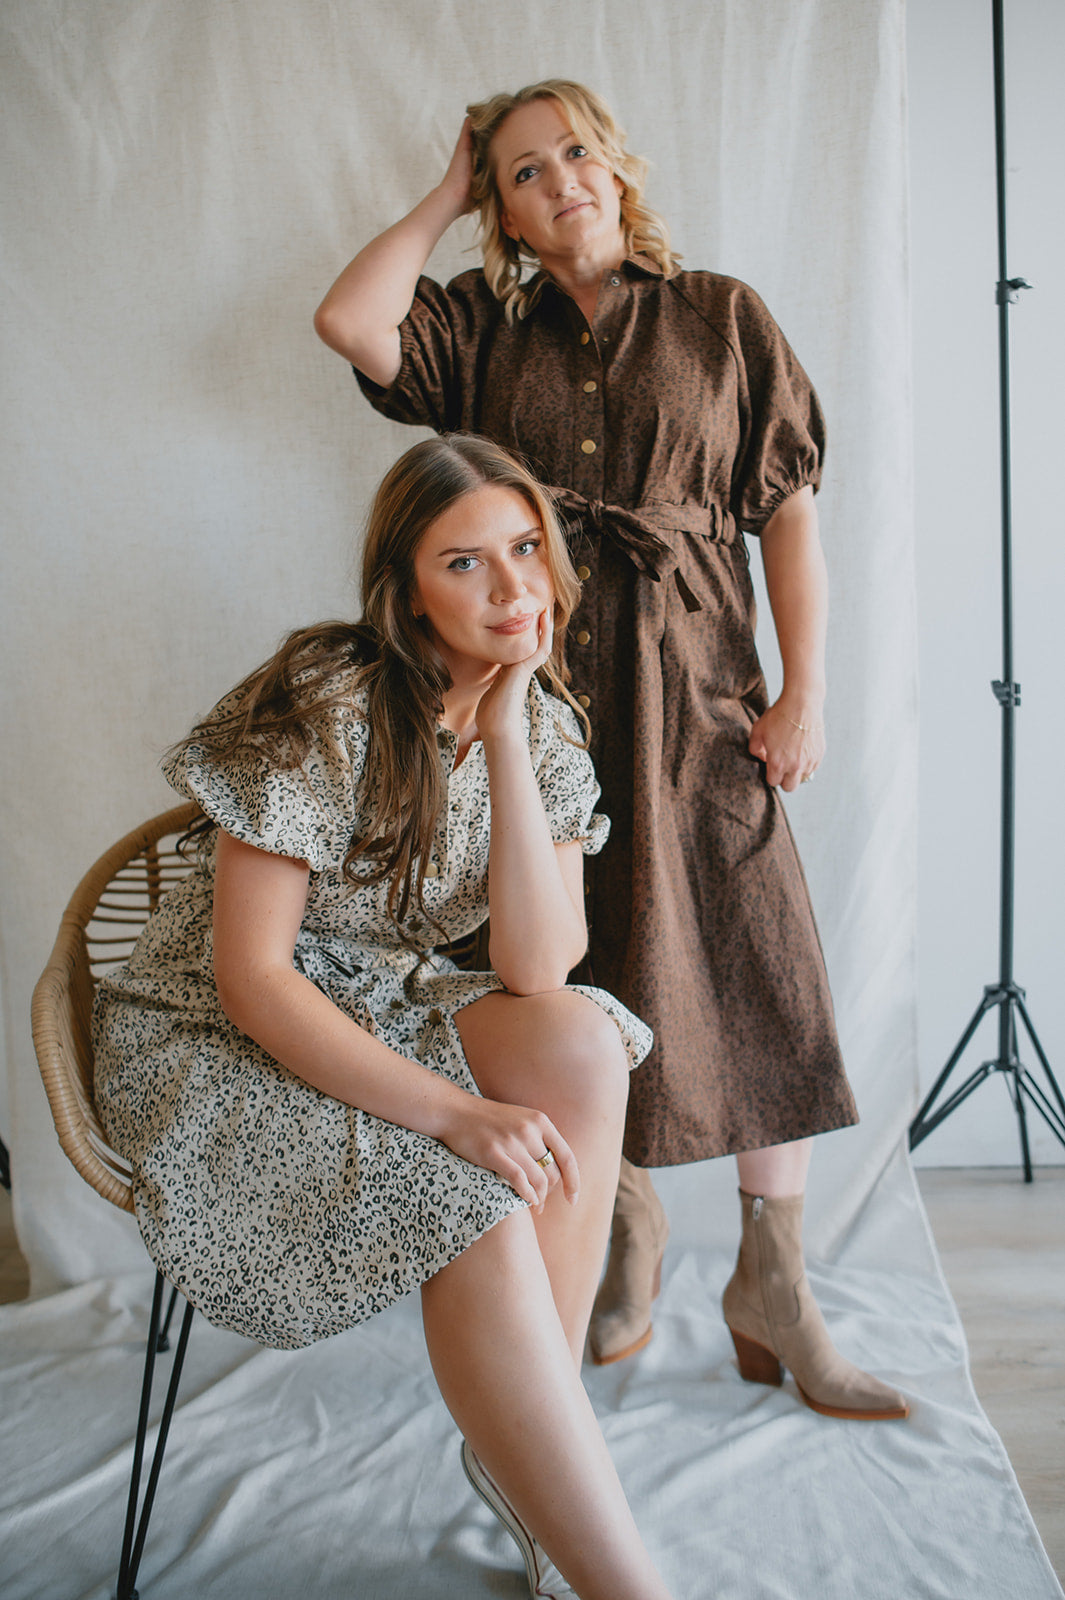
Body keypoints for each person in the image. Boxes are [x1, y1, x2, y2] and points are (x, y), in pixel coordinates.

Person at [314, 80, 909, 1422]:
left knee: (753, 956)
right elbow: (351, 322)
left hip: (702, 691)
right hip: (538, 708)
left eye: (574, 152)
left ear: (618, 166)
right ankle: (623, 1228)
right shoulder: (480, 330)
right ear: (505, 212)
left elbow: (788, 514)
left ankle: (774, 1279)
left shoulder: (721, 316)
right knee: (574, 967)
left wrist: (806, 690)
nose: (559, 180)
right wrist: (447, 191)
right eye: (523, 173)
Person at [93, 434, 676, 1600]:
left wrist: (504, 733)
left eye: (525, 548)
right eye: (465, 563)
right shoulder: (327, 704)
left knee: (581, 1038)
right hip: (213, 1028)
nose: (511, 587)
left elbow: (538, 964)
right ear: (407, 591)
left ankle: (529, 1451)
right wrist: (456, 1115)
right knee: (475, 1195)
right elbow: (254, 980)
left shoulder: (544, 729)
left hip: (380, 999)